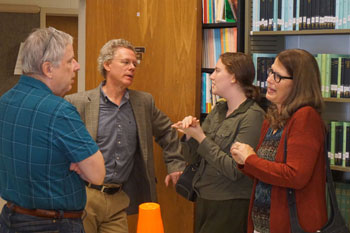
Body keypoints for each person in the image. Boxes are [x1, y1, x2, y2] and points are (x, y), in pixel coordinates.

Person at [64, 38, 185, 233]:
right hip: (83, 195)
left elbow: (167, 131)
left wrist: (175, 164)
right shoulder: (77, 102)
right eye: (125, 62)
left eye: (134, 64)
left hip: (119, 198)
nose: (132, 68)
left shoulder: (143, 102)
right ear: (107, 64)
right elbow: (59, 144)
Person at [0, 27, 106, 233]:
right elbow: (97, 174)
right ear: (48, 69)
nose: (77, 66)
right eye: (70, 60)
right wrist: (76, 163)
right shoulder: (59, 111)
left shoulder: (4, 102)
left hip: (10, 220)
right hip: (53, 225)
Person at [230, 49, 327, 233]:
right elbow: (267, 173)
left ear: (298, 83)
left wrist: (251, 160)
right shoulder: (272, 118)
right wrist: (244, 161)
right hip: (263, 225)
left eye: (278, 76)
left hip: (292, 226)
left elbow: (295, 176)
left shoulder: (306, 117)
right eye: (270, 72)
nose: (269, 80)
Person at [172, 52, 265, 233]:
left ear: (234, 77)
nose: (212, 76)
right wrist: (190, 136)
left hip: (230, 204)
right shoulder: (219, 109)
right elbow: (193, 158)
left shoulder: (252, 116)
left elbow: (235, 170)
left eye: (217, 70)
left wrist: (201, 138)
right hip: (205, 197)